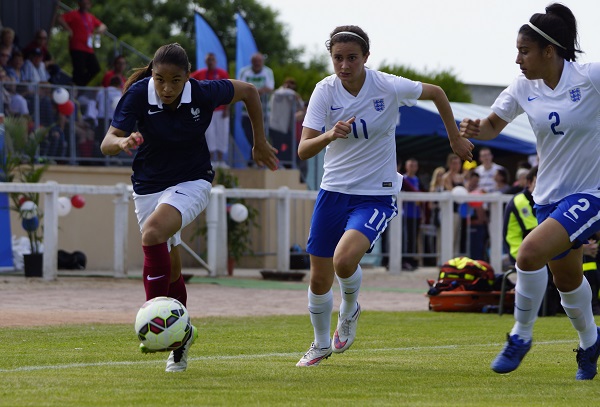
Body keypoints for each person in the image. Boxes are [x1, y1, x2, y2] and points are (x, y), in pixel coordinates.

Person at [295, 25, 472, 367]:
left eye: (352, 58)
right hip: (333, 191)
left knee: (344, 260)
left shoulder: (387, 85)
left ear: (366, 58)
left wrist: (454, 138)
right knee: (318, 277)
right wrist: (330, 134)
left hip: (376, 193)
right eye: (337, 58)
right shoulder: (324, 91)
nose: (344, 65)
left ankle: (350, 308)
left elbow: (436, 92)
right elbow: (303, 150)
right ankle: (319, 344)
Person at [100, 43, 278, 372]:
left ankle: (155, 319)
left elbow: (251, 92)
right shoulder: (139, 95)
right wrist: (122, 142)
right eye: (159, 79)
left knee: (153, 233)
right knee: (171, 268)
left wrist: (259, 141)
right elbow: (107, 142)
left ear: (188, 76)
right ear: (152, 74)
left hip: (193, 180)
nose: (166, 88)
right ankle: (182, 339)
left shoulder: (205, 92)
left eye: (175, 80)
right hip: (148, 185)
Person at [459, 3, 600, 380]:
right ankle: (591, 342)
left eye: (524, 50)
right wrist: (475, 127)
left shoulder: (591, 77)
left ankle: (520, 336)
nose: (517, 58)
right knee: (567, 281)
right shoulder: (522, 87)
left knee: (529, 252)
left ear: (549, 51)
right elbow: (491, 126)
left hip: (592, 192)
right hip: (549, 197)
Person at [190, 52, 230, 166]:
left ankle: (221, 160)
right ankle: (212, 160)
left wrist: (227, 108)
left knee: (222, 133)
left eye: (212, 60)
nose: (210, 62)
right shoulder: (201, 73)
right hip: (207, 110)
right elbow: (188, 78)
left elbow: (229, 91)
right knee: (209, 135)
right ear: (205, 61)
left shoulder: (222, 73)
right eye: (208, 60)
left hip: (221, 110)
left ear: (215, 61)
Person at [57, 0, 107, 86]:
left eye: (87, 3)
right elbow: (60, 18)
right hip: (77, 46)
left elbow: (103, 25)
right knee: (78, 69)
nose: (85, 4)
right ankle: (76, 85)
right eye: (83, 2)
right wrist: (69, 30)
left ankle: (78, 85)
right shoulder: (74, 14)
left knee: (95, 68)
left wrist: (100, 29)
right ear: (79, 3)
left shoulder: (90, 17)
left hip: (88, 47)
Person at [238, 52, 274, 163]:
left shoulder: (267, 71)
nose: (257, 64)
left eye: (259, 61)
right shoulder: (244, 71)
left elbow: (270, 87)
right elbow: (239, 86)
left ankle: (264, 158)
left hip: (263, 111)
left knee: (263, 135)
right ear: (252, 62)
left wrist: (252, 94)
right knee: (249, 135)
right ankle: (254, 156)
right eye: (255, 61)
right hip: (246, 112)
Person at [268, 77, 306, 167]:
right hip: (275, 127)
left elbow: (300, 105)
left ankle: (286, 166)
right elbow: (280, 92)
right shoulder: (279, 94)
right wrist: (293, 93)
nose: (291, 90)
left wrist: (296, 98)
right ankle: (277, 166)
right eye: (290, 87)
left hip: (284, 128)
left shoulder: (290, 96)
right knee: (277, 149)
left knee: (295, 148)